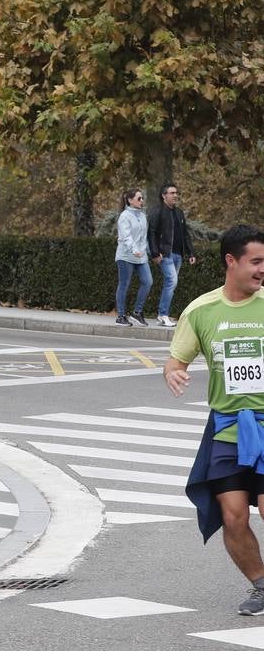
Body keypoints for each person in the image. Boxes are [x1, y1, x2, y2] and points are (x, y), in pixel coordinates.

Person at [164, 224, 264, 617]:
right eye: (255, 262)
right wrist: (172, 372)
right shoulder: (201, 310)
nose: (262, 270)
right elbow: (177, 359)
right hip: (228, 428)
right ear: (231, 261)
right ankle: (260, 585)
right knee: (232, 516)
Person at [150, 183, 198, 328]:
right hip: (165, 254)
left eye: (176, 193)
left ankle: (162, 315)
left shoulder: (179, 213)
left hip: (178, 254)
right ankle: (163, 314)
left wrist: (191, 252)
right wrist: (154, 253)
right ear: (164, 196)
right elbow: (151, 233)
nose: (175, 195)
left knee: (171, 283)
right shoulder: (157, 211)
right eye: (172, 193)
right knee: (171, 281)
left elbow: (185, 234)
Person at [115, 187, 152, 327]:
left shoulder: (142, 216)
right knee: (124, 284)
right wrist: (134, 249)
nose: (142, 201)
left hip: (140, 256)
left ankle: (137, 312)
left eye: (142, 198)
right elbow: (126, 237)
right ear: (130, 200)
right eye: (139, 198)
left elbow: (143, 237)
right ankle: (120, 316)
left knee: (148, 282)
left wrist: (145, 251)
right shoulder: (124, 216)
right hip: (125, 255)